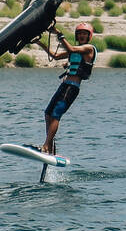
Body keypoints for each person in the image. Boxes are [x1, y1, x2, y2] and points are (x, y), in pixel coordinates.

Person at [35, 23, 96, 156]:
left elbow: (72, 49)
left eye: (84, 34)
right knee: (48, 114)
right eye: (79, 33)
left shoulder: (89, 48)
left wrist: (58, 32)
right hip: (64, 85)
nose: (81, 36)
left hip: (72, 87)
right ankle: (49, 147)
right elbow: (55, 56)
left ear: (89, 36)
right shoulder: (74, 50)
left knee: (56, 114)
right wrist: (39, 43)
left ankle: (46, 145)